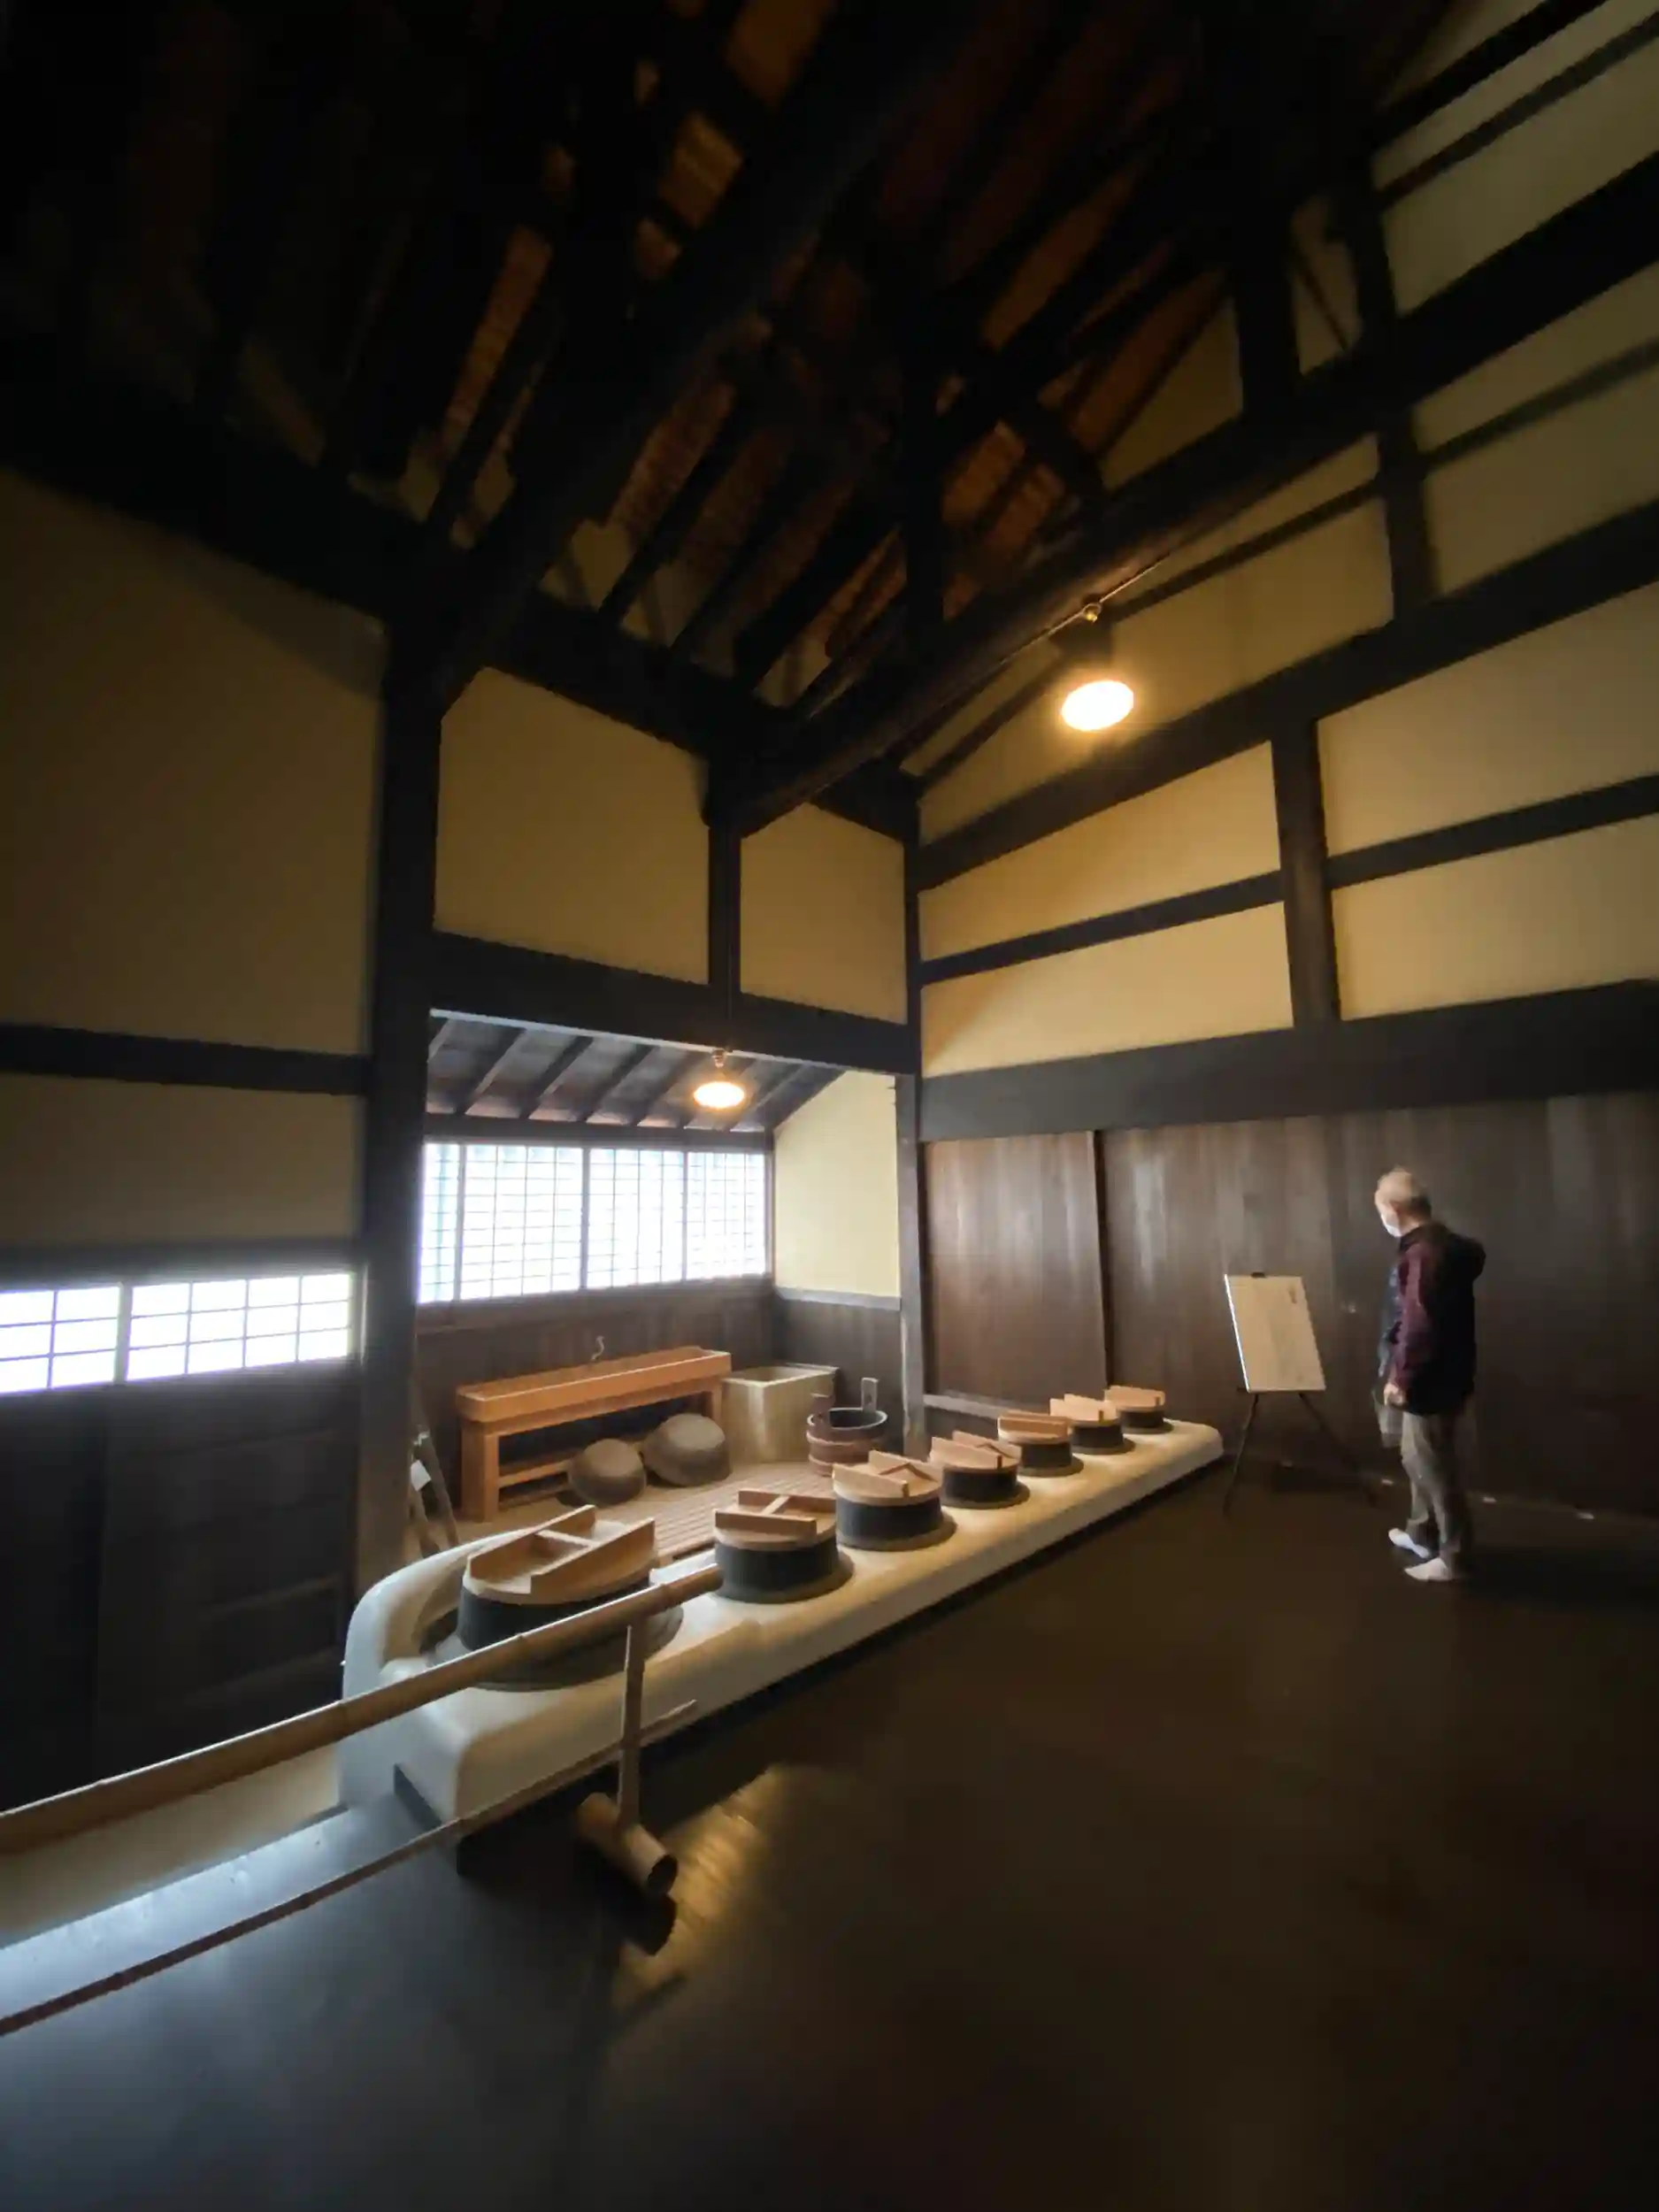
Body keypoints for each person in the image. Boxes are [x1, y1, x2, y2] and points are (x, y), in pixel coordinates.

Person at [1374, 1168, 1485, 1584]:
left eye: (1380, 1208)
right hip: (1442, 1373)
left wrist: (1401, 1378)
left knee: (1433, 1467)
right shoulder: (1442, 1246)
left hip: (1428, 1380)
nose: (1381, 1217)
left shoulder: (1423, 1254)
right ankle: (1422, 1533)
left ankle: (1456, 1556)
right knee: (1415, 1457)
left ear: (1394, 1208)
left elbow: (1419, 1324)